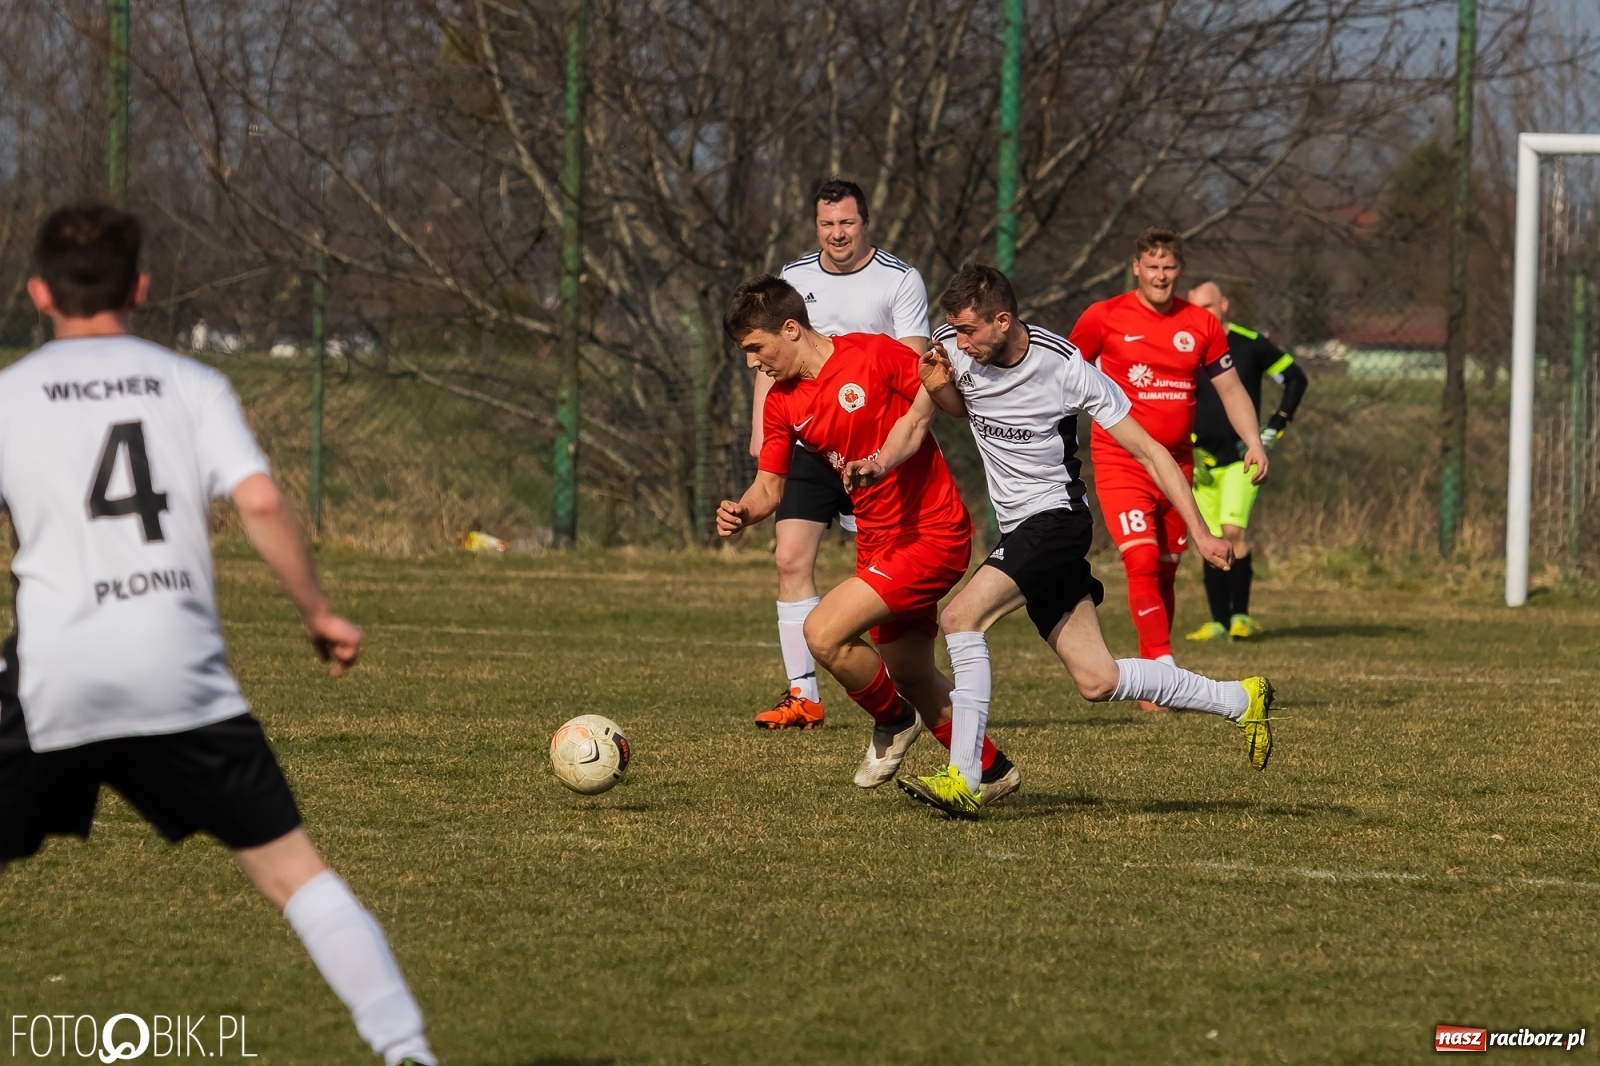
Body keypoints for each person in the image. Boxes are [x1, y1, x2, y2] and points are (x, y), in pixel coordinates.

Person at [0, 203, 436, 1066]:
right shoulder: (190, 384)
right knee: (292, 873)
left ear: (38, 293)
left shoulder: (10, 396)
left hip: (55, 671)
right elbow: (261, 499)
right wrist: (317, 612)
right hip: (179, 668)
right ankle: (407, 1050)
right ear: (141, 288)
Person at [853, 265, 1274, 817]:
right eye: (954, 330)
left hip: (1056, 520)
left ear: (1003, 321)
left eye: (969, 331)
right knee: (1098, 679)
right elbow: (920, 420)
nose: (959, 342)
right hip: (1022, 530)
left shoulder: (1066, 366)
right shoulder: (952, 349)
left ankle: (967, 777)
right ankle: (1241, 698)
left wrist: (1200, 531)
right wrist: (879, 462)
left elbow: (1150, 451)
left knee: (960, 619)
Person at [718, 274, 1020, 802]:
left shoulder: (874, 355)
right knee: (912, 672)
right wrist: (744, 511)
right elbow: (769, 487)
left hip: (932, 532)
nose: (751, 363)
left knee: (823, 633)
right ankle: (992, 771)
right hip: (876, 541)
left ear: (790, 329)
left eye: (755, 348)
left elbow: (943, 404)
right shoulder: (782, 402)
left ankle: (895, 721)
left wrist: (951, 382)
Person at [749, 179, 931, 731]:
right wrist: (761, 431)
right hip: (807, 440)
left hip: (871, 446)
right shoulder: (794, 276)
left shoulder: (899, 279)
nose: (837, 234)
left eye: (847, 223)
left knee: (879, 569)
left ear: (865, 223)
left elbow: (914, 366)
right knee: (789, 558)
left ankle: (902, 679)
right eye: (827, 224)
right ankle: (803, 696)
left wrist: (891, 448)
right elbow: (770, 355)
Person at [1068, 228, 1268, 708]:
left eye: (1169, 267)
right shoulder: (1104, 317)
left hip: (1178, 464)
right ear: (1136, 268)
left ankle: (1153, 671)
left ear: (1181, 270)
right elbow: (1063, 374)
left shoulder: (1201, 323)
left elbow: (1231, 389)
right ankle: (1163, 672)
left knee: (1165, 568)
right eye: (1152, 267)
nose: (1160, 276)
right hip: (1121, 460)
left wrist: (1254, 442)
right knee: (1139, 559)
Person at [1183, 281, 1309, 641]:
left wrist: (1276, 425)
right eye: (1194, 309)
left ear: (1224, 304)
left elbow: (1295, 379)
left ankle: (1240, 616)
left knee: (1233, 531)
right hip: (1201, 461)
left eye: (1208, 307)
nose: (1201, 315)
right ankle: (1218, 621)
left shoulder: (1250, 344)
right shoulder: (1185, 347)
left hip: (1241, 459)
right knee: (1209, 537)